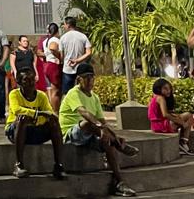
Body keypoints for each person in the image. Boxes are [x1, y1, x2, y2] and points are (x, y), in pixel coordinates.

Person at [58, 63, 138, 197]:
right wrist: (100, 129)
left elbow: (103, 121)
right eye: (86, 78)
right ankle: (120, 146)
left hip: (91, 133)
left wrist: (113, 135)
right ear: (79, 80)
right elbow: (84, 112)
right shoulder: (73, 93)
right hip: (71, 133)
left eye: (91, 77)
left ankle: (119, 182)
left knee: (109, 143)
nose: (90, 81)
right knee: (86, 124)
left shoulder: (94, 97)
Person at [8, 67, 65, 180]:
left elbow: (49, 114)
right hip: (15, 130)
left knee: (53, 121)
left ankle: (58, 165)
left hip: (35, 130)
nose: (30, 83)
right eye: (26, 80)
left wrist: (38, 117)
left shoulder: (41, 95)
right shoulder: (14, 94)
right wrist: (37, 114)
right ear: (19, 82)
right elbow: (17, 110)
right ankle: (19, 165)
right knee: (22, 119)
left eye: (32, 80)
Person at [148, 78, 194, 156]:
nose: (168, 91)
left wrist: (176, 116)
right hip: (161, 126)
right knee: (189, 117)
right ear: (159, 89)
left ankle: (183, 141)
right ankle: (184, 142)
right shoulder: (160, 98)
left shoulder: (155, 97)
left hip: (156, 125)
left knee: (187, 115)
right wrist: (182, 123)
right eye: (165, 89)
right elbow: (165, 114)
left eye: (169, 88)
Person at [58, 16, 92, 95]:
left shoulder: (63, 38)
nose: (64, 26)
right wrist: (77, 61)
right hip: (81, 69)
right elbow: (89, 52)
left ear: (68, 25)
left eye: (64, 24)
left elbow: (62, 56)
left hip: (67, 68)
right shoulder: (83, 36)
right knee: (82, 92)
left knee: (67, 94)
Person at [41, 23, 63, 111]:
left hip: (48, 65)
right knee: (56, 91)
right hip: (54, 65)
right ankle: (55, 111)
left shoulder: (46, 40)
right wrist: (60, 57)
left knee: (54, 90)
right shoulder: (54, 39)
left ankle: (55, 110)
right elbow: (53, 48)